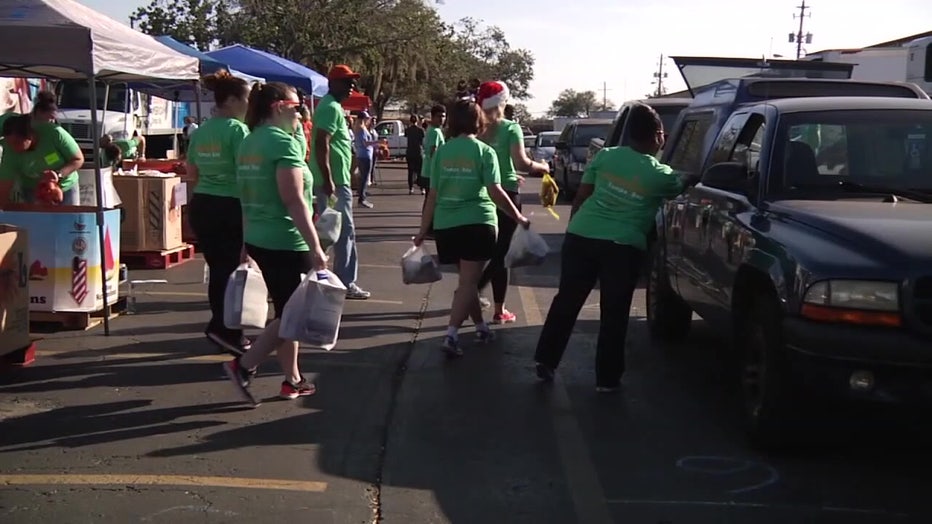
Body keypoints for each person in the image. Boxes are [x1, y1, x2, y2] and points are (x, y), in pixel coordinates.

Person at [533, 103, 699, 393]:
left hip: (582, 237)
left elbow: (582, 197)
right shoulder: (660, 175)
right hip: (622, 249)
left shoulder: (606, 156)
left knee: (567, 301)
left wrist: (574, 232)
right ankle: (606, 380)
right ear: (659, 135)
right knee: (614, 312)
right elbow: (684, 183)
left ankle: (546, 360)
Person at [222, 81, 329, 405]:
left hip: (259, 237)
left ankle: (292, 379)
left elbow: (245, 196)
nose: (301, 112)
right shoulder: (280, 144)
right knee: (293, 315)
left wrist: (245, 240)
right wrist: (316, 247)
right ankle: (243, 364)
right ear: (278, 107)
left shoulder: (250, 142)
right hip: (287, 241)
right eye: (297, 107)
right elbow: (294, 200)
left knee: (286, 309)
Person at [414, 99, 529, 357]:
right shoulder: (484, 152)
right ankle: (451, 334)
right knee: (468, 283)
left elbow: (432, 194)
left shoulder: (442, 152)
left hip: (446, 226)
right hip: (478, 222)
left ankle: (481, 326)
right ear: (479, 122)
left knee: (468, 281)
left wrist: (424, 229)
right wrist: (518, 217)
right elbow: (496, 191)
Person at [185, 70, 252, 355]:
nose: (250, 104)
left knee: (219, 269)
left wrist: (190, 209)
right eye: (247, 98)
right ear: (234, 100)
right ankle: (228, 331)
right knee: (235, 270)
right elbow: (248, 172)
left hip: (204, 203)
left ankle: (221, 325)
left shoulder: (202, 131)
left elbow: (192, 172)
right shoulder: (237, 130)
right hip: (229, 205)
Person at [475, 81, 550, 323]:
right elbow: (521, 162)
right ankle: (494, 306)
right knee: (502, 253)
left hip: (481, 193)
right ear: (502, 102)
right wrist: (543, 167)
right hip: (507, 193)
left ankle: (472, 291)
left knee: (484, 251)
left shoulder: (477, 129)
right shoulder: (510, 128)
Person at [310, 65, 371, 300]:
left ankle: (316, 275)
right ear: (333, 84)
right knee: (343, 232)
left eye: (352, 83)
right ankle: (344, 281)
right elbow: (321, 143)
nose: (351, 87)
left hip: (337, 180)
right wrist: (328, 179)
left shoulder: (333, 108)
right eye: (347, 83)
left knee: (330, 231)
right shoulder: (330, 108)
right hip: (333, 182)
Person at [0, 114, 84, 206]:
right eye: (9, 143)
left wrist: (58, 174)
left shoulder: (55, 133)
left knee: (69, 219)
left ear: (29, 136)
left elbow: (78, 159)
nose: (13, 147)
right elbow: (5, 184)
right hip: (32, 191)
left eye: (17, 142)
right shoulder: (10, 151)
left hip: (66, 187)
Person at [353, 111, 377, 207]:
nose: (368, 121)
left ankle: (362, 197)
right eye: (367, 119)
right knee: (364, 177)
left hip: (362, 155)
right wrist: (378, 142)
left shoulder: (359, 129)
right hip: (365, 156)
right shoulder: (362, 130)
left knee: (363, 177)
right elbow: (365, 143)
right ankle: (362, 199)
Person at [404, 114, 425, 195]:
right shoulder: (421, 130)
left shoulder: (407, 130)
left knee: (410, 171)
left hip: (409, 152)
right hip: (418, 152)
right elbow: (422, 142)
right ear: (417, 120)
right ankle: (422, 188)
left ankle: (411, 188)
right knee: (420, 171)